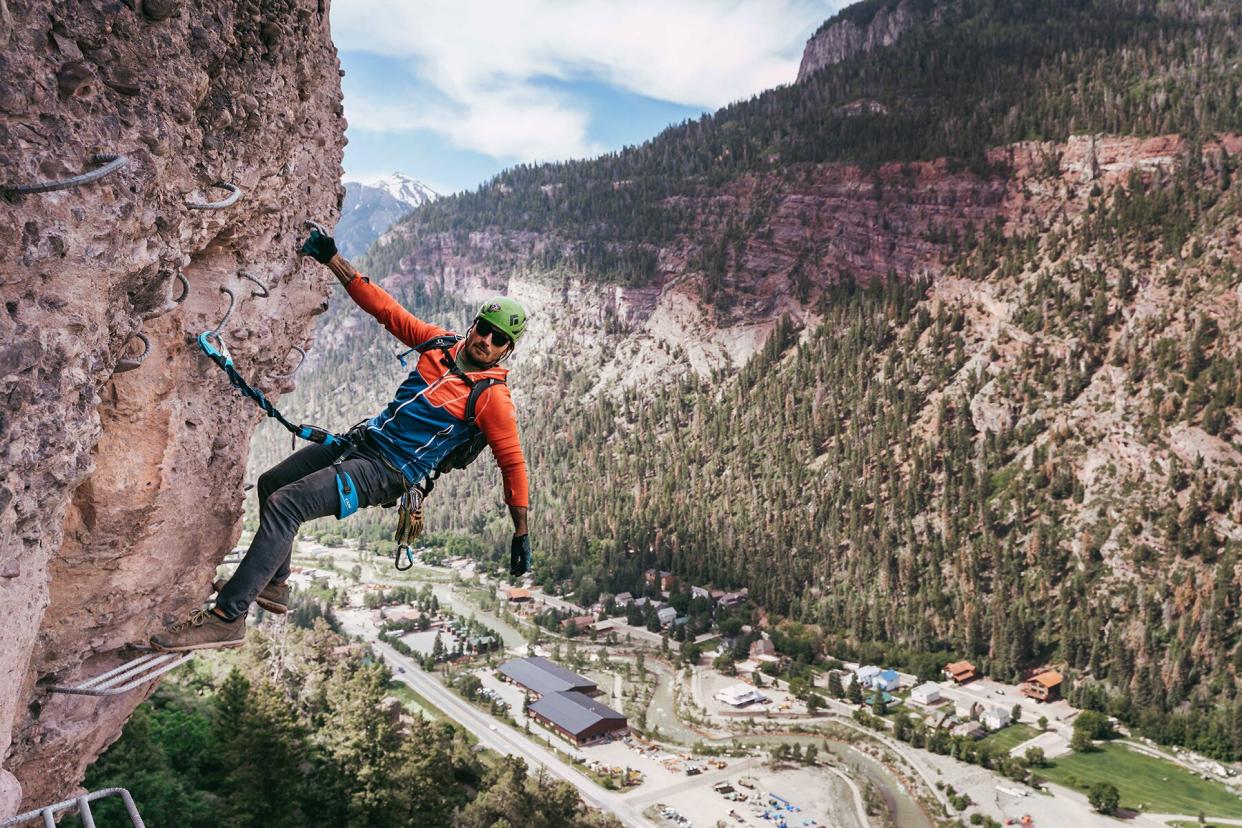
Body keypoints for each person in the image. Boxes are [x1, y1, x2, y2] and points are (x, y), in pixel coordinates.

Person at [151, 229, 531, 651]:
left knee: (287, 505)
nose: (486, 341)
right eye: (484, 328)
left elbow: (512, 463)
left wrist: (521, 533)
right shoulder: (439, 344)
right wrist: (333, 259)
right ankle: (275, 584)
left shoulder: (492, 398)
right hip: (363, 442)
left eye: (499, 340)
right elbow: (386, 310)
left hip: (389, 473)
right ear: (474, 324)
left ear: (505, 352)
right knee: (272, 485)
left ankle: (227, 617)